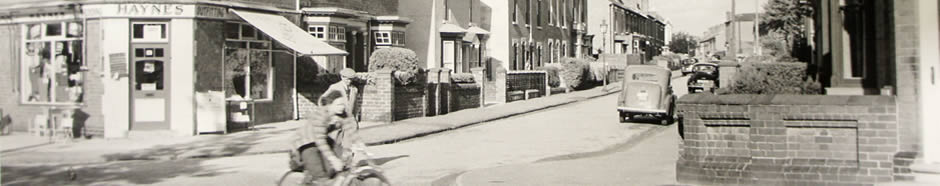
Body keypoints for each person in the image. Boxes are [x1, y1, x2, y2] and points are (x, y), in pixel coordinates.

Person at [290, 90, 359, 186]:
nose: (342, 107)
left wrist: (360, 146)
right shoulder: (320, 115)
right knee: (321, 177)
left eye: (343, 104)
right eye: (339, 105)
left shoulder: (342, 114)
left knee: (343, 161)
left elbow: (351, 130)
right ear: (329, 105)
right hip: (306, 143)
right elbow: (320, 141)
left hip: (322, 139)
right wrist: (333, 159)